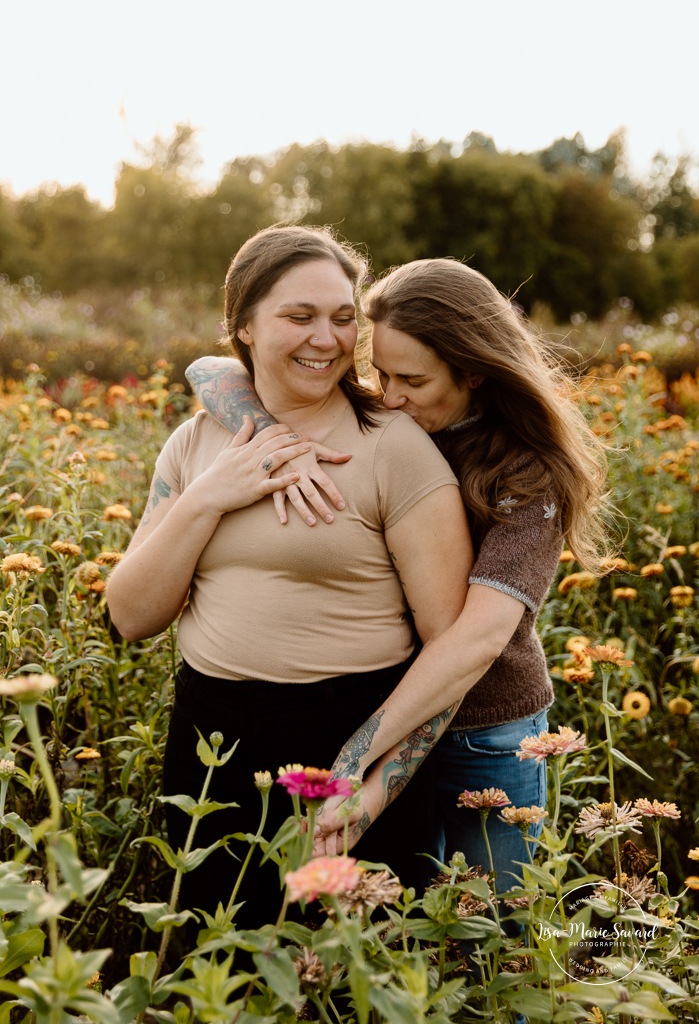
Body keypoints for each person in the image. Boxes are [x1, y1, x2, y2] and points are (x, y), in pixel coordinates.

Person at [188, 256, 610, 894]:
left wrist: (357, 770)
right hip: (388, 712)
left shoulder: (528, 476)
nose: (388, 396)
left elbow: (474, 641)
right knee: (403, 918)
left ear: (472, 370)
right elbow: (212, 369)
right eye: (378, 371)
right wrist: (280, 445)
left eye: (409, 378)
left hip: (482, 732)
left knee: (492, 927)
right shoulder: (400, 420)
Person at [106, 227, 471, 928]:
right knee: (217, 966)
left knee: (341, 975)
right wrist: (211, 493)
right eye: (298, 316)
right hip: (210, 751)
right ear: (241, 323)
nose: (327, 338)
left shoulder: (392, 448)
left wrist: (370, 788)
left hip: (347, 740)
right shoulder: (196, 442)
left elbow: (450, 655)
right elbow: (129, 617)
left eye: (342, 317)